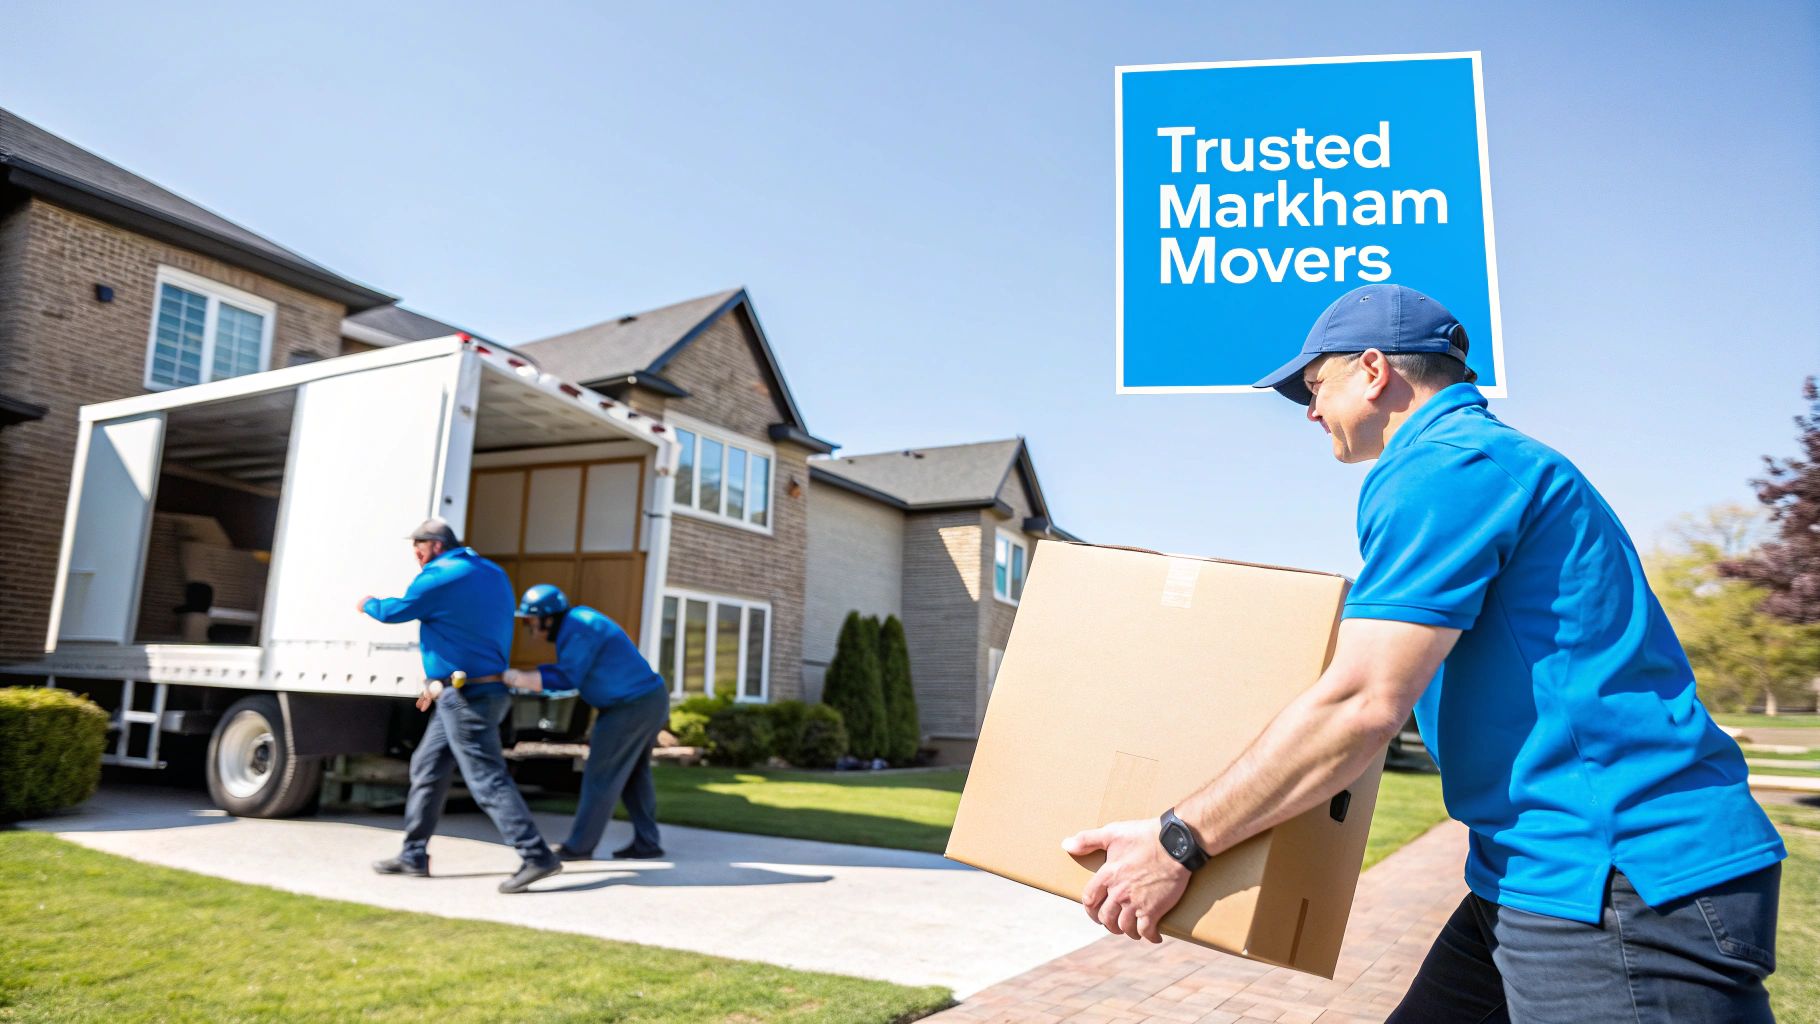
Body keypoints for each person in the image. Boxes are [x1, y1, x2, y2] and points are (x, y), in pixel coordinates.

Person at [1063, 284, 1785, 1022]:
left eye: (1316, 386)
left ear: (1374, 371)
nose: (1311, 411)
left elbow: (1363, 704)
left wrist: (1178, 841)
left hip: (1614, 876)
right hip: (1534, 870)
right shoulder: (1479, 461)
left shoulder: (1446, 465)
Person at [361, 518, 562, 894]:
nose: (416, 555)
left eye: (418, 547)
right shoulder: (492, 572)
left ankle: (536, 855)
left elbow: (396, 611)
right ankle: (413, 853)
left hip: (467, 697)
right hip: (476, 691)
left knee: (486, 779)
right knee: (428, 766)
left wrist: (368, 604)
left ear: (435, 545)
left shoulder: (439, 576)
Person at [504, 584, 671, 861]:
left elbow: (568, 678)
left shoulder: (578, 628)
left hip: (629, 707)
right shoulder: (577, 622)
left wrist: (519, 678)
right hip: (646, 701)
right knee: (633, 775)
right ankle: (647, 842)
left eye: (531, 620)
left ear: (548, 618)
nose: (529, 627)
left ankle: (579, 847)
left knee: (599, 776)